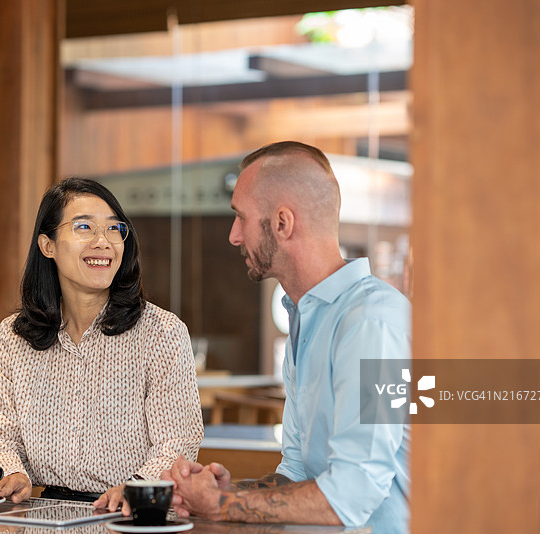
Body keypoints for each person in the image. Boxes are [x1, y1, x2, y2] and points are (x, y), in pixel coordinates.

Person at [163, 141, 411, 534]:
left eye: (240, 218)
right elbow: (296, 474)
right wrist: (225, 492)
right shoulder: (306, 318)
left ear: (283, 223)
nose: (233, 236)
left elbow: (354, 492)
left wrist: (225, 504)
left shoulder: (372, 322)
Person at [0, 177, 204, 510]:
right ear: (47, 245)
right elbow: (2, 437)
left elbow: (177, 442)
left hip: (131, 516)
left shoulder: (161, 333)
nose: (103, 242)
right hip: (43, 517)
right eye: (84, 227)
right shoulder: (14, 337)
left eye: (115, 230)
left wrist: (135, 487)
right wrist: (14, 473)